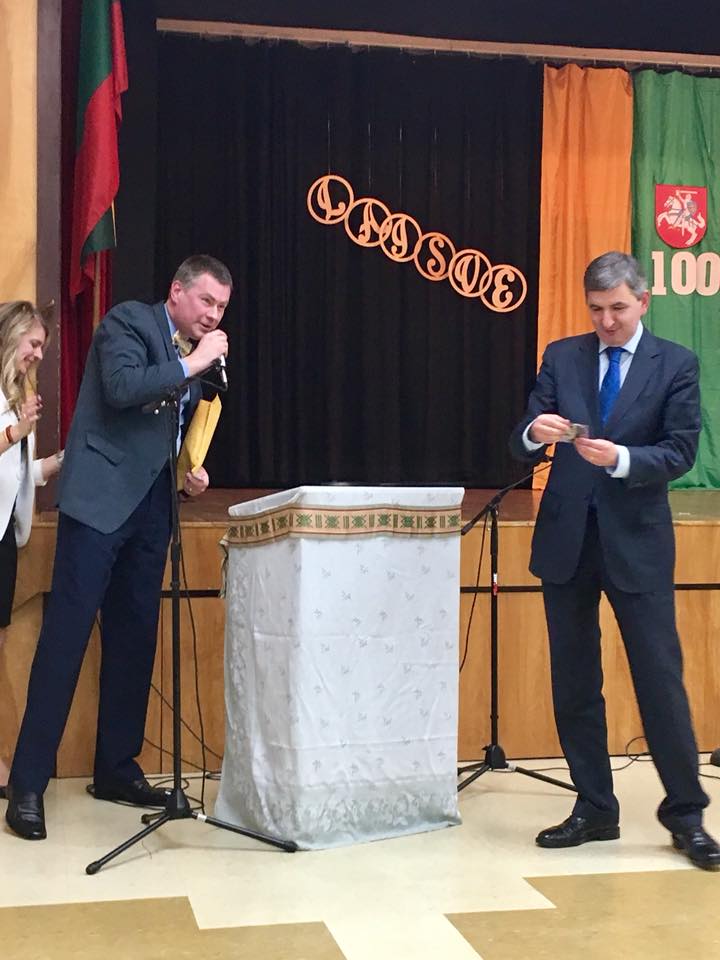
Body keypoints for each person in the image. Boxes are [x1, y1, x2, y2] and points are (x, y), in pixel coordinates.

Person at [5, 255, 231, 840]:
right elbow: (123, 388)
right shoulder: (127, 323)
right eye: (206, 301)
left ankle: (116, 768)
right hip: (99, 504)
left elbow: (163, 431)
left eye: (222, 308)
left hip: (154, 507)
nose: (214, 315)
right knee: (65, 639)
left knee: (135, 638)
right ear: (176, 291)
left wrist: (187, 472)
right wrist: (193, 362)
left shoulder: (191, 357)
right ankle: (27, 784)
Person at [510, 251, 719, 871]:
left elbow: (680, 451)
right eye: (596, 309)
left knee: (660, 681)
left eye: (618, 309)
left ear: (643, 301)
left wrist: (622, 460)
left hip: (637, 542)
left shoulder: (675, 363)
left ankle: (686, 815)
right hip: (567, 540)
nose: (606, 321)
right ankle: (595, 807)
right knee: (575, 682)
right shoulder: (562, 356)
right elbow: (523, 435)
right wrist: (535, 432)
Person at [0, 302, 62, 798]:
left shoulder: (19, 398)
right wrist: (14, 433)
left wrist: (62, 460)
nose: (39, 354)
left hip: (4, 536)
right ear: (11, 336)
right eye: (34, 343)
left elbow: (22, 476)